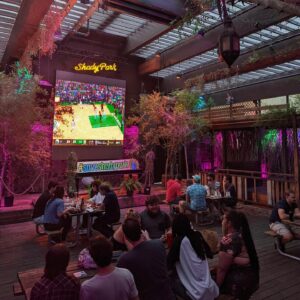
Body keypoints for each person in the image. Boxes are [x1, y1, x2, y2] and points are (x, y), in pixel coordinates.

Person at [117, 219, 175, 300]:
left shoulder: (124, 260)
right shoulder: (158, 244)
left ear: (126, 237)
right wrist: (148, 238)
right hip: (168, 296)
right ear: (141, 231)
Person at [167, 214, 219, 300]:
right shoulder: (197, 234)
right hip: (208, 285)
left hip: (194, 289)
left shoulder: (179, 241)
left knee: (168, 278)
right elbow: (210, 254)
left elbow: (168, 262)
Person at [216, 211, 259, 299]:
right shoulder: (243, 235)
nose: (222, 221)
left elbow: (222, 270)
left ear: (229, 223)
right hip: (253, 279)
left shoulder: (228, 240)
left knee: (209, 278)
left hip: (239, 282)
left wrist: (215, 290)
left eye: (223, 219)